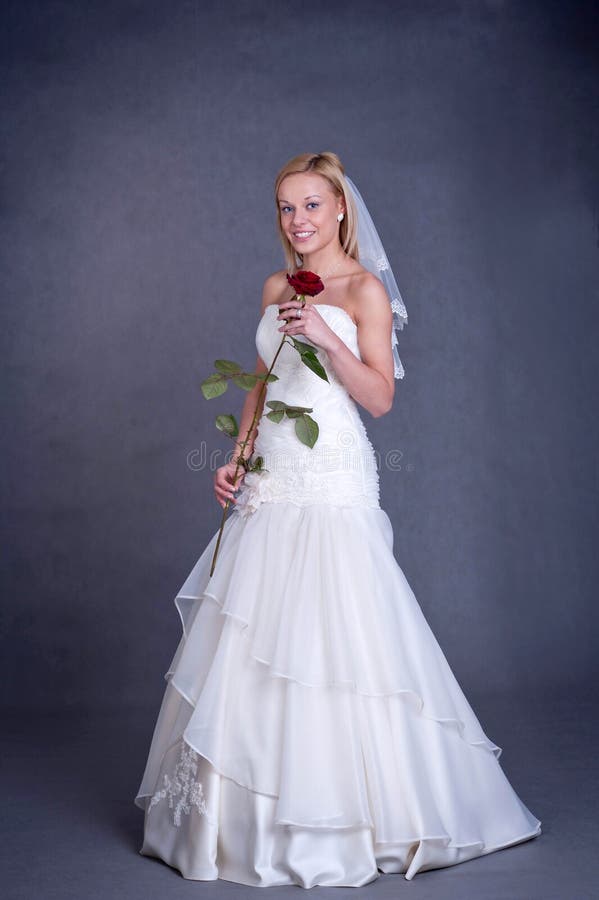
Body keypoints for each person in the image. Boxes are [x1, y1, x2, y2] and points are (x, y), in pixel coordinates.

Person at [134, 151, 542, 887]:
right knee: (256, 623)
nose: (298, 221)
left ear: (341, 208)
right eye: (286, 208)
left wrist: (325, 337)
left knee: (336, 625)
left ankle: (345, 815)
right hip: (273, 474)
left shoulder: (363, 291)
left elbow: (380, 398)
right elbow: (263, 383)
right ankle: (242, 819)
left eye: (312, 205)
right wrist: (237, 457)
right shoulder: (274, 287)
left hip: (331, 472)